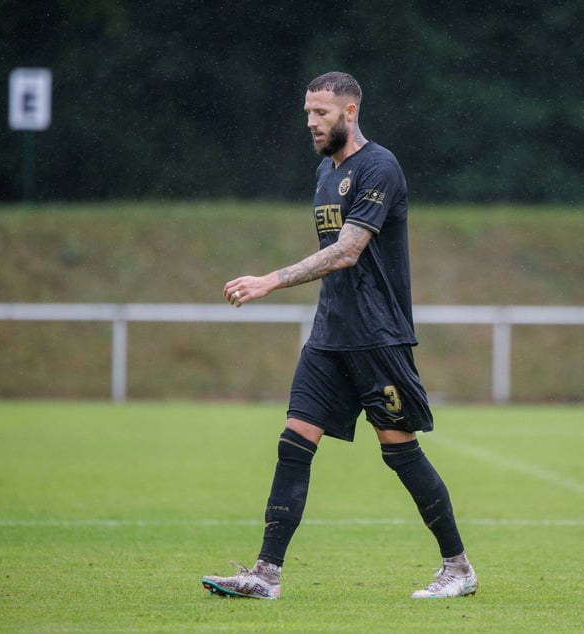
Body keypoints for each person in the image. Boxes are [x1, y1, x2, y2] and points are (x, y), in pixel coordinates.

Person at [201, 71, 476, 600]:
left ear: (350, 112)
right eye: (308, 112)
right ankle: (265, 575)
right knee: (294, 441)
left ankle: (458, 569)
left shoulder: (379, 167)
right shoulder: (325, 172)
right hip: (329, 335)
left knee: (400, 451)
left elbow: (348, 250)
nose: (311, 121)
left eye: (321, 112)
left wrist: (271, 280)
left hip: (378, 335)